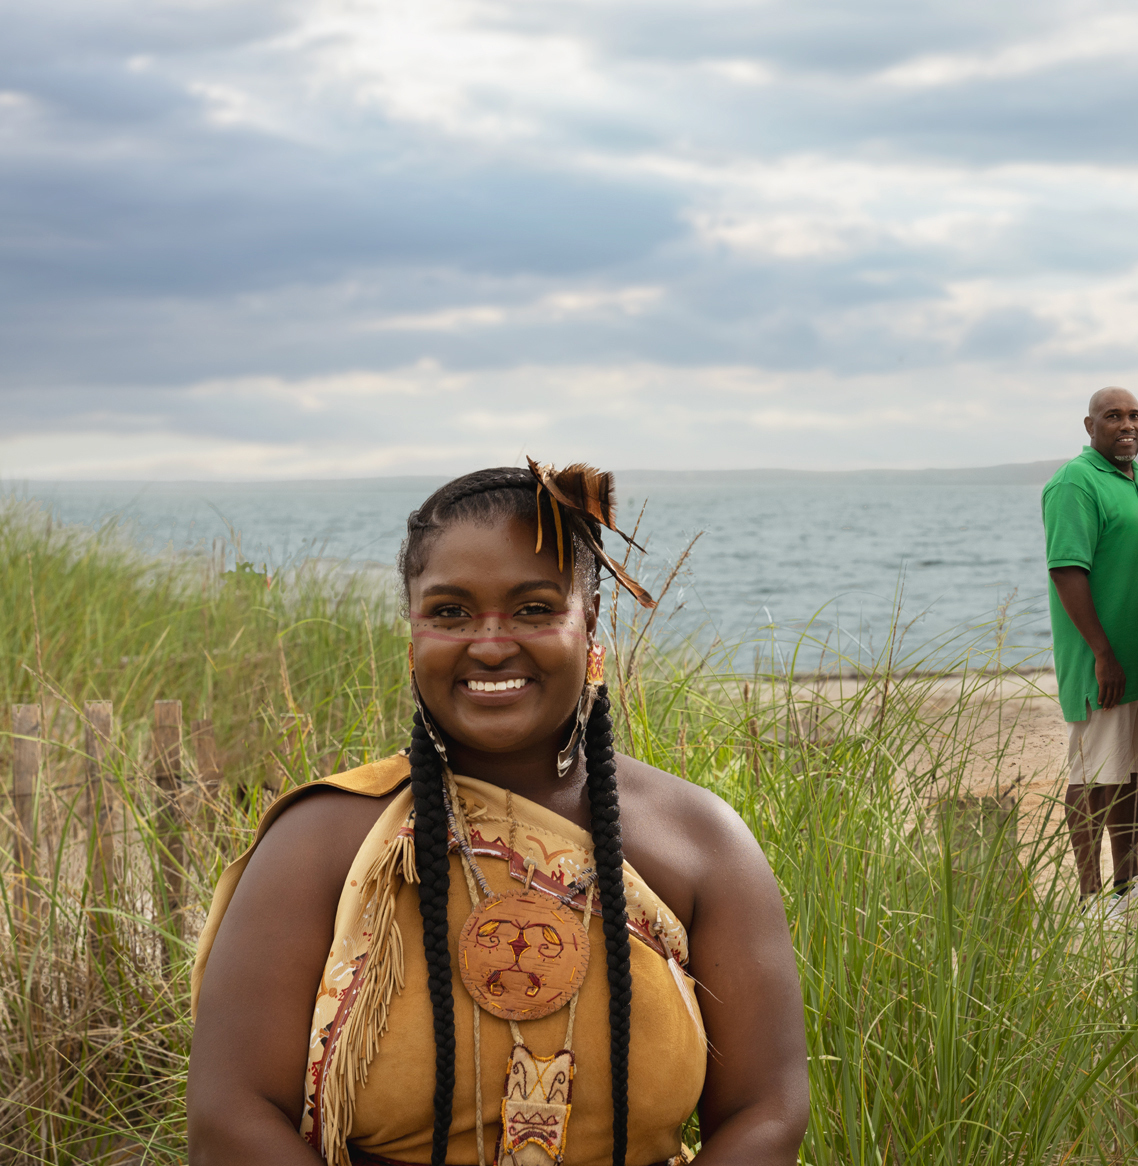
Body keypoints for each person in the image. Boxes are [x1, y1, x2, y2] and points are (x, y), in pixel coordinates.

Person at [189, 464, 809, 1164]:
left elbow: (767, 1112)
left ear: (592, 623)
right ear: (413, 631)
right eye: (450, 612)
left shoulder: (701, 843)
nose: (490, 643)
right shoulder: (322, 841)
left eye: (534, 609)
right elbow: (230, 1118)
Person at [1043, 386, 1138, 914]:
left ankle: (1128, 886)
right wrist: (1102, 653)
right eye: (1113, 416)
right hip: (1104, 660)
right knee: (1092, 772)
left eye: (1135, 415)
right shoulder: (1074, 482)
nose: (1127, 425)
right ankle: (1089, 897)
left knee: (1128, 769)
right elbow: (1067, 570)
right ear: (1089, 425)